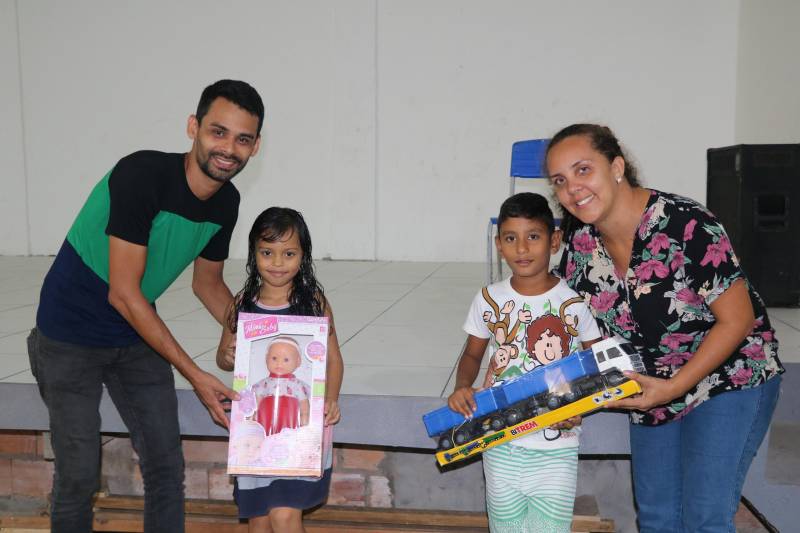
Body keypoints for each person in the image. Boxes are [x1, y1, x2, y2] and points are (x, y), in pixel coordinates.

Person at [27, 79, 264, 533]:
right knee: (78, 475)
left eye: (242, 139)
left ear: (255, 147)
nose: (228, 148)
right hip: (68, 336)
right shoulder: (141, 175)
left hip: (132, 336)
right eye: (218, 132)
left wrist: (264, 332)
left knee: (165, 468)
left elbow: (208, 284)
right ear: (193, 127)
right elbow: (123, 292)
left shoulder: (226, 202)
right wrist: (195, 375)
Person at [546, 123, 785, 532]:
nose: (573, 189)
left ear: (617, 166)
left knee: (704, 517)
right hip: (652, 386)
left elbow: (738, 319)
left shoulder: (685, 224)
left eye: (583, 170)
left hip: (730, 373)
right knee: (657, 519)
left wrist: (676, 386)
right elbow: (583, 340)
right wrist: (567, 402)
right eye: (560, 181)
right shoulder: (581, 250)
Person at [448, 192, 601, 533]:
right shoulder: (489, 298)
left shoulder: (573, 303)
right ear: (498, 244)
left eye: (533, 237)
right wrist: (462, 387)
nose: (521, 249)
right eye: (510, 238)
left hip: (557, 444)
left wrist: (582, 403)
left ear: (555, 240)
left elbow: (597, 363)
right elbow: (473, 353)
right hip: (500, 441)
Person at [216, 207, 344, 533]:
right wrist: (230, 357)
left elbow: (333, 358)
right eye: (267, 252)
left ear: (303, 256)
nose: (277, 262)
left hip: (300, 429)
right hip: (256, 431)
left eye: (288, 253)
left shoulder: (313, 302)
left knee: (285, 516)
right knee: (258, 521)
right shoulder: (243, 301)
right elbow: (222, 357)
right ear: (253, 254)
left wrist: (330, 399)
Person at [252, 336, 310, 435]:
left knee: (288, 440)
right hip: (265, 419)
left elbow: (304, 405)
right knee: (264, 437)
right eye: (274, 358)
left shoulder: (297, 385)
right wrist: (253, 416)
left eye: (286, 360)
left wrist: (305, 419)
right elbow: (256, 403)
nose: (279, 363)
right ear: (266, 359)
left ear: (298, 362)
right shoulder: (263, 384)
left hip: (290, 420)